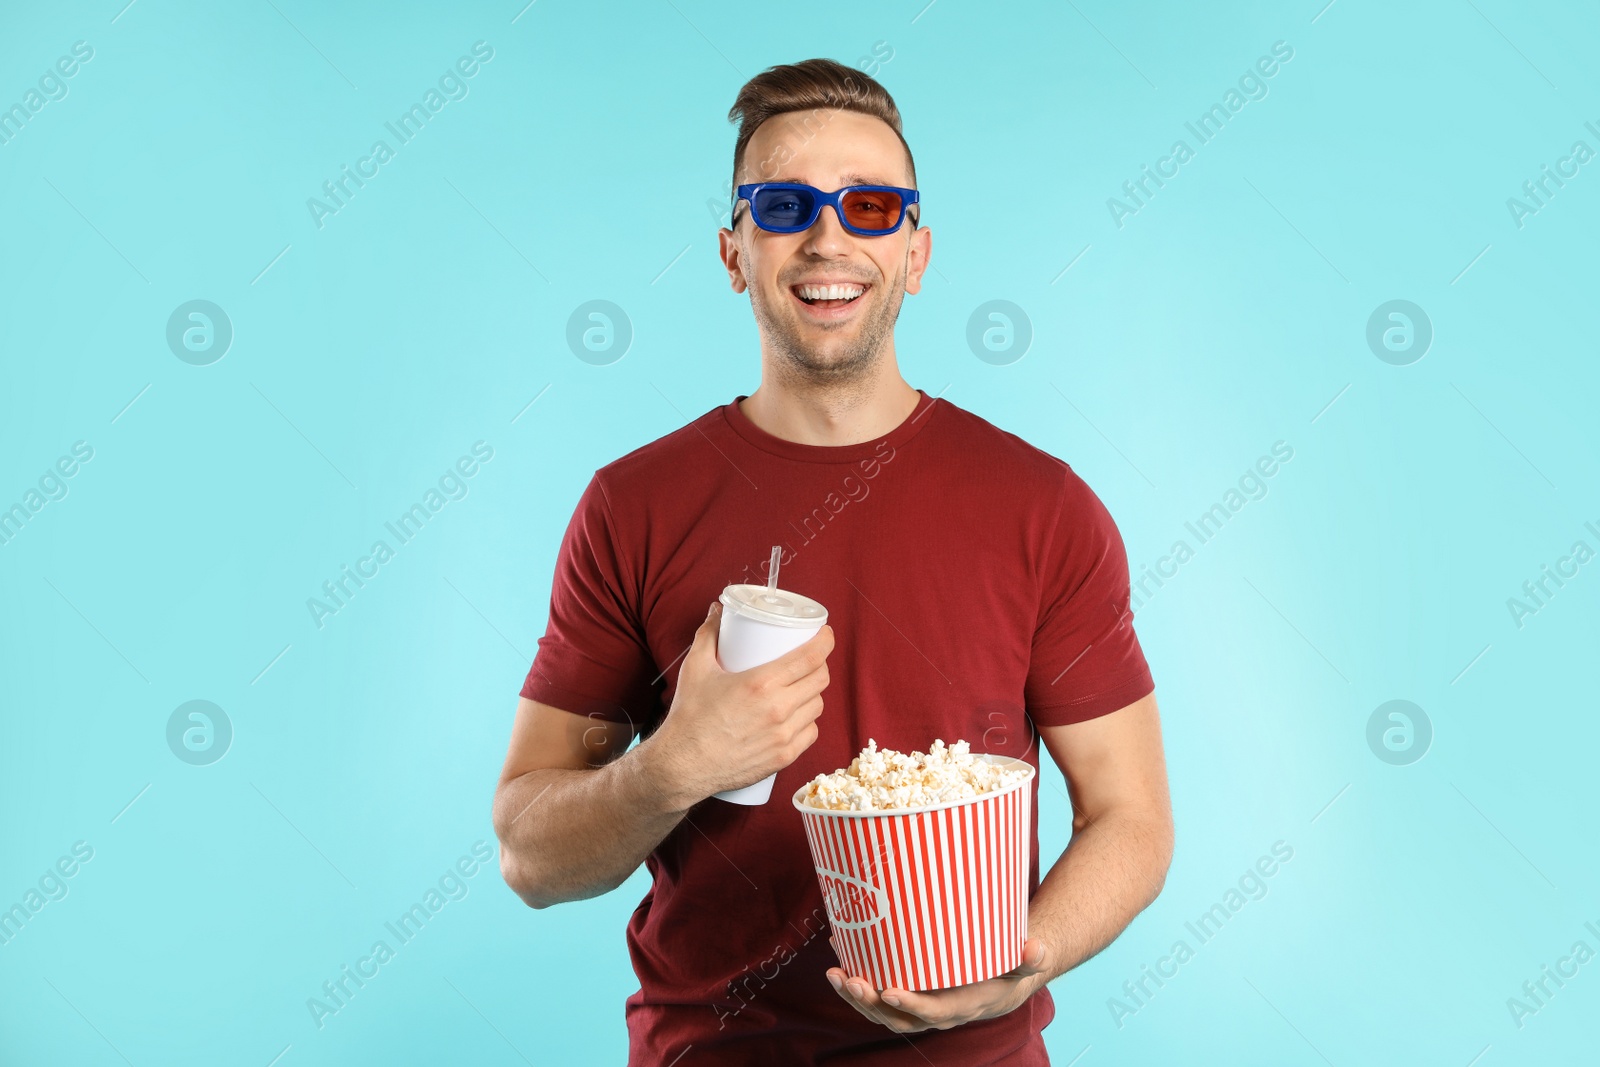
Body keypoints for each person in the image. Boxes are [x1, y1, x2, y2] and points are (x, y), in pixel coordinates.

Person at [492, 57, 1173, 1066]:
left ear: (915, 252)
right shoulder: (630, 507)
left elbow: (1131, 816)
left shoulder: (1041, 507)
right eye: (782, 204)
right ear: (733, 250)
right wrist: (671, 766)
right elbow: (530, 854)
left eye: (868, 204)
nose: (827, 237)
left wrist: (1024, 958)